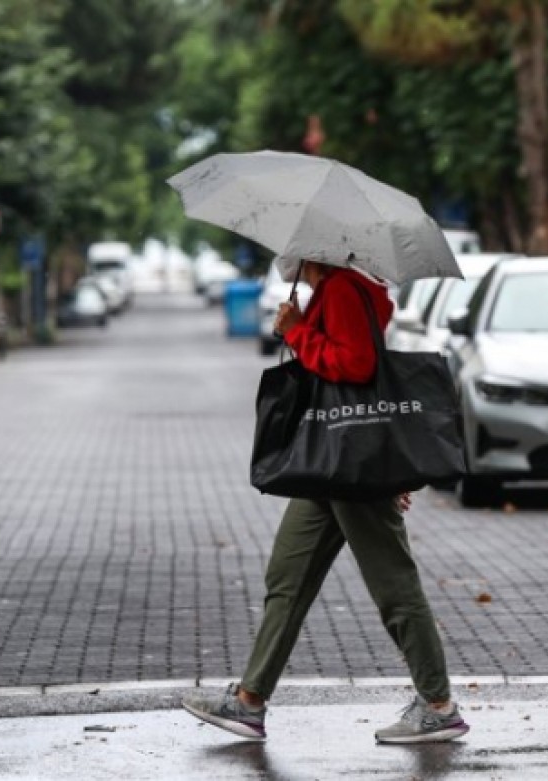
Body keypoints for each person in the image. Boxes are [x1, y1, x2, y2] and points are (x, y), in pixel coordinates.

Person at [182, 259, 468, 744]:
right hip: (330, 464)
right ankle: (249, 701)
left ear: (312, 252)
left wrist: (298, 331)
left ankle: (438, 705)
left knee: (394, 586)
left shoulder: (341, 290)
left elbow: (357, 365)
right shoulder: (332, 292)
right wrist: (299, 328)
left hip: (349, 462)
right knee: (287, 577)